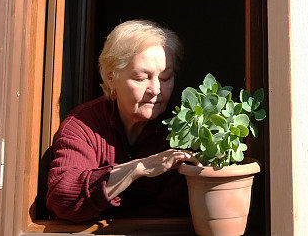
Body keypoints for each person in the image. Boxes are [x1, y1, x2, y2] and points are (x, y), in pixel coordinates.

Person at [46, 20, 199, 222]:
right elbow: (63, 199)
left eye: (165, 78)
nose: (156, 90)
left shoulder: (183, 127)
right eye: (141, 78)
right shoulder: (83, 124)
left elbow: (176, 209)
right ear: (111, 78)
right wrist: (138, 168)